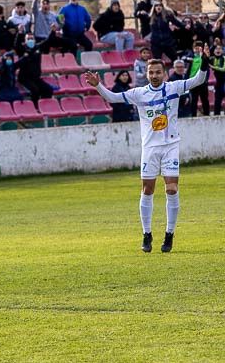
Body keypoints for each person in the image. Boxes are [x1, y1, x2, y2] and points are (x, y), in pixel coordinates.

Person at [87, 55, 207, 253]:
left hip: (170, 146)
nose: (154, 75)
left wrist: (203, 63)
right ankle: (147, 234)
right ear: (146, 73)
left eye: (158, 72)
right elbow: (113, 98)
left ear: (165, 73)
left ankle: (169, 234)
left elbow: (199, 80)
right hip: (150, 148)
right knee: (147, 190)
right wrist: (98, 86)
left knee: (171, 189)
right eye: (151, 72)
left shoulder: (174, 88)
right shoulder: (139, 93)